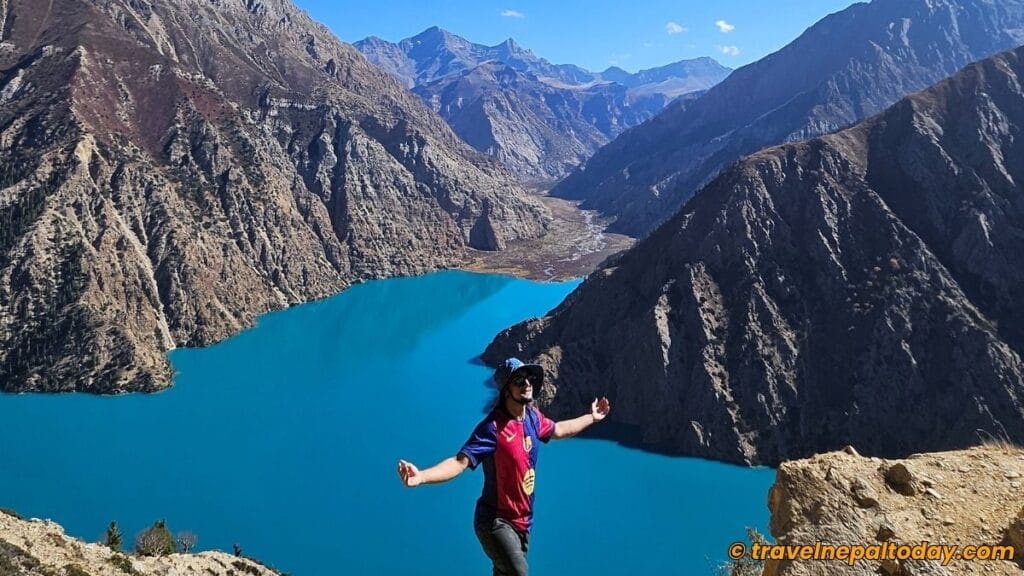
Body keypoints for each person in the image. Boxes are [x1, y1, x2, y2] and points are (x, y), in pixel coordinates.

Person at [397, 357, 611, 576]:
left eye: (528, 379)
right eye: (518, 380)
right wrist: (421, 476)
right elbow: (459, 462)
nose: (527, 383)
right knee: (518, 573)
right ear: (506, 390)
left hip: (523, 522)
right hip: (495, 521)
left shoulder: (533, 419)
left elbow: (558, 430)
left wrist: (592, 418)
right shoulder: (492, 429)